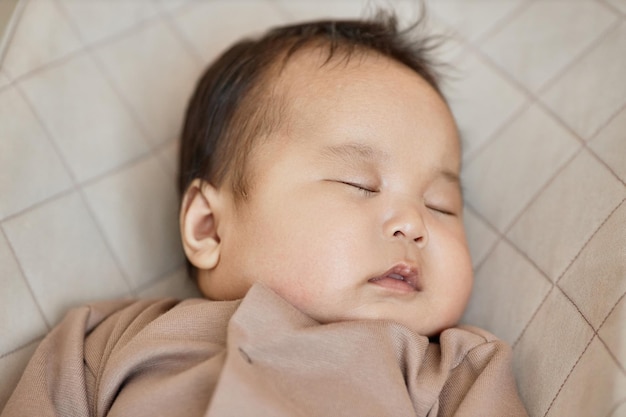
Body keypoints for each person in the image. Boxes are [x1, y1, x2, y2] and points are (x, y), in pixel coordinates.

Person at [2, 9, 528, 417]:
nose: (413, 224)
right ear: (208, 227)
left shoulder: (450, 372)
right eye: (358, 183)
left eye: (442, 206)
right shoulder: (104, 340)